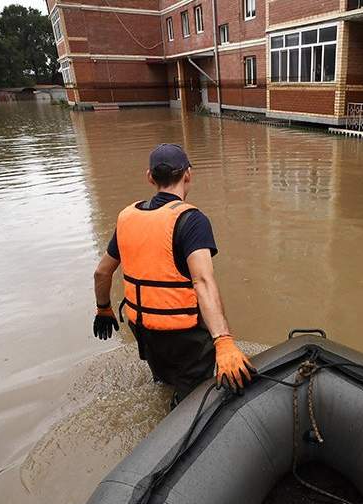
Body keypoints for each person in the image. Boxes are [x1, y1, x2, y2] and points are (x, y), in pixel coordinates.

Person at [92, 143, 253, 407]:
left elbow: (101, 273)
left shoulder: (127, 218)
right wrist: (223, 341)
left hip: (143, 328)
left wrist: (103, 309)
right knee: (194, 400)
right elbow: (203, 281)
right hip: (183, 335)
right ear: (188, 174)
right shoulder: (192, 221)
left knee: (165, 380)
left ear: (150, 177)